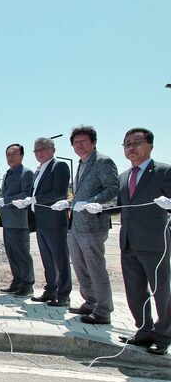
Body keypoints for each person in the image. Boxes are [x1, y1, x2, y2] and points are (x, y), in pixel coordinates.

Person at [92, 128, 171, 355]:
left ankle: (164, 334)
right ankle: (144, 330)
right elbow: (121, 205)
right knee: (135, 290)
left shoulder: (164, 172)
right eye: (127, 144)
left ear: (150, 146)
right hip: (128, 242)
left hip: (155, 242)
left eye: (136, 143)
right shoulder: (125, 176)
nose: (131, 148)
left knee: (161, 291)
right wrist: (100, 209)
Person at [55, 126, 118, 325]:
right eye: (75, 143)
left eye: (83, 142)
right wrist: (70, 202)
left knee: (95, 267)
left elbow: (112, 188)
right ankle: (90, 302)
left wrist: (95, 202)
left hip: (93, 224)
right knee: (80, 266)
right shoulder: (81, 164)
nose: (79, 146)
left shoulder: (103, 161)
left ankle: (104, 309)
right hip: (75, 224)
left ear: (93, 142)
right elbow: (80, 193)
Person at [13, 138, 71, 306]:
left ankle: (64, 294)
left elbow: (58, 193)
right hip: (41, 221)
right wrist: (29, 201)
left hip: (54, 220)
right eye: (36, 150)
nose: (39, 153)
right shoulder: (39, 171)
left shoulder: (58, 166)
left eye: (43, 149)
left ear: (53, 149)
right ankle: (50, 290)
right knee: (47, 259)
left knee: (60, 259)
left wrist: (33, 200)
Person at [0, 143, 35, 296]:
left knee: (22, 253)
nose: (11, 157)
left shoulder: (26, 173)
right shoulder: (7, 173)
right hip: (7, 220)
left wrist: (4, 200)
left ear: (22, 155)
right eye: (8, 154)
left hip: (20, 221)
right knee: (11, 253)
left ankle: (28, 284)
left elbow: (26, 195)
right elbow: (7, 196)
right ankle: (17, 281)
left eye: (14, 154)